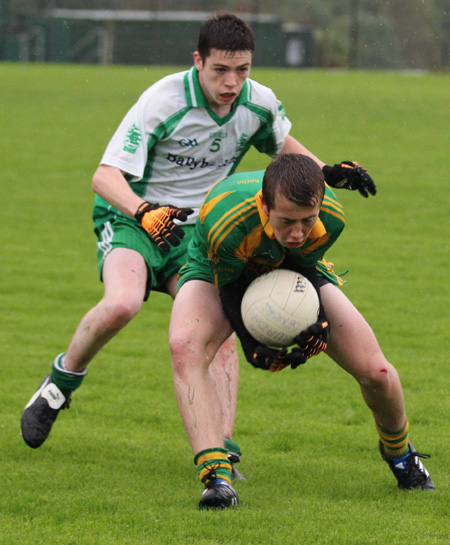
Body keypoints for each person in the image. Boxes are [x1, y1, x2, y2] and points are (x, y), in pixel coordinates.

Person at [20, 13, 376, 470]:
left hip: (202, 231)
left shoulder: (258, 103)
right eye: (220, 71)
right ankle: (60, 383)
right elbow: (104, 176)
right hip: (135, 214)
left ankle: (221, 445)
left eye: (242, 70)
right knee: (122, 303)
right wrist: (145, 213)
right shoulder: (162, 100)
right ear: (198, 61)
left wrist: (326, 173)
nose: (232, 82)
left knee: (222, 331)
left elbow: (282, 146)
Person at [169, 153, 434, 509]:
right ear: (264, 204)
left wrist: (319, 326)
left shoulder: (332, 219)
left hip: (291, 268)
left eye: (307, 221)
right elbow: (230, 288)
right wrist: (254, 347)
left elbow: (302, 267)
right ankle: (216, 477)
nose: (297, 232)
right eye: (287, 221)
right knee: (184, 346)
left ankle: (400, 453)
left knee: (378, 373)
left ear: (320, 205)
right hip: (219, 266)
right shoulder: (226, 221)